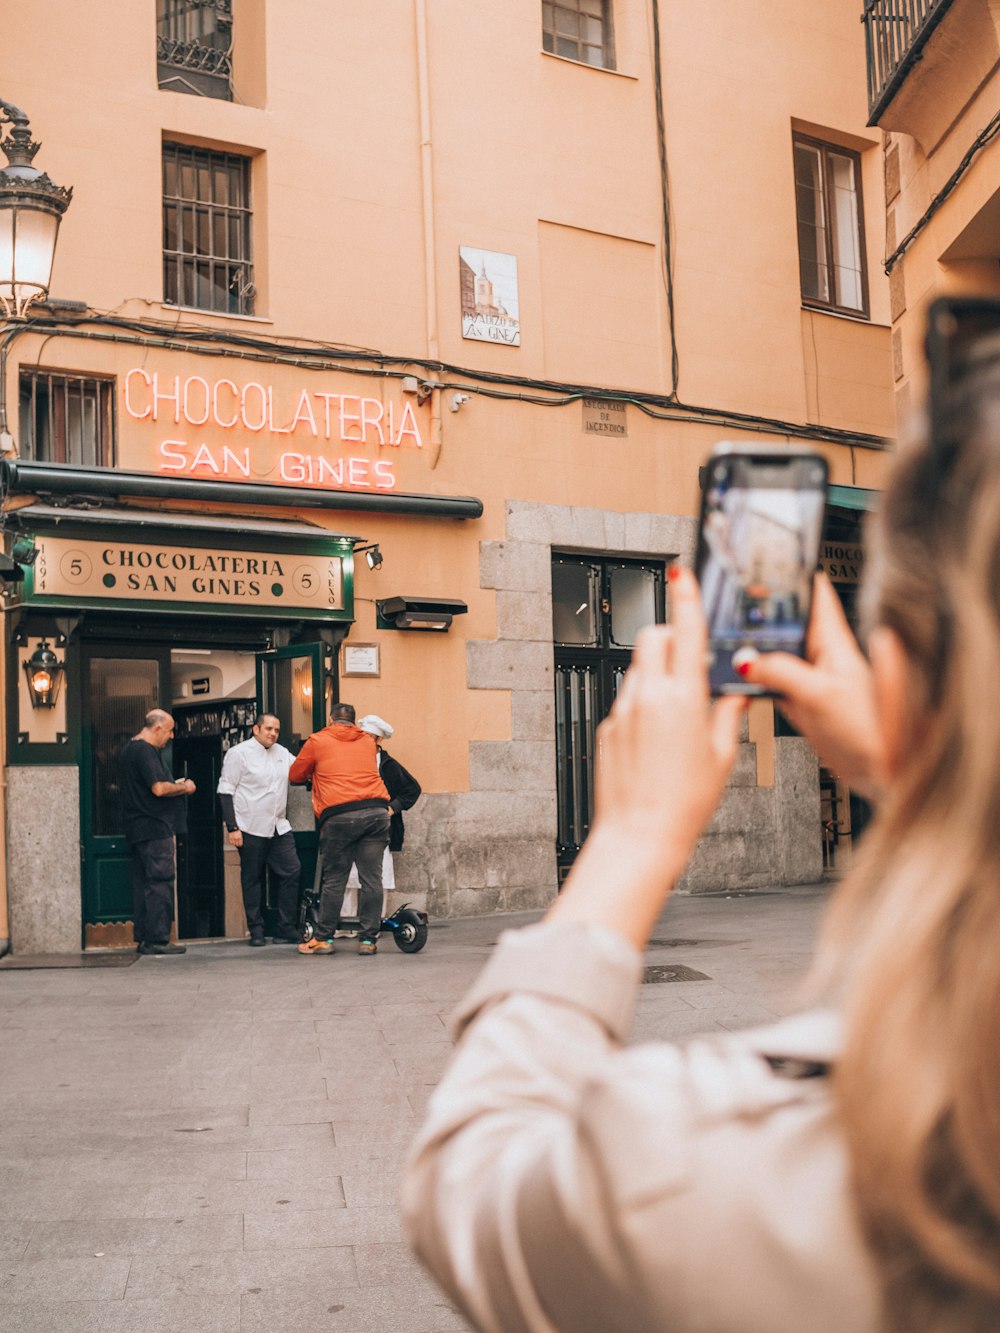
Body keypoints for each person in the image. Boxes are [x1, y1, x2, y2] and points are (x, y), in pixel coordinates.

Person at [402, 341, 1000, 1328]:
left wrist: (631, 836)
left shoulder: (728, 1173)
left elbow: (468, 1185)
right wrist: (918, 770)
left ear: (899, 680)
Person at [290, 701, 391, 956]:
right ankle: (368, 940)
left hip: (340, 815)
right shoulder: (368, 742)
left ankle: (324, 938)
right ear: (355, 723)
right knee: (372, 879)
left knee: (335, 878)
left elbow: (295, 775)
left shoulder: (318, 740)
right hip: (377, 812)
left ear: (331, 720)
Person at [216, 712, 301, 946]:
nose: (273, 733)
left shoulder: (282, 753)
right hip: (249, 825)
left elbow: (301, 770)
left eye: (276, 730)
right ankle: (256, 930)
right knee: (252, 878)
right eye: (269, 729)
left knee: (291, 871)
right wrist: (232, 827)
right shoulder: (238, 754)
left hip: (279, 826)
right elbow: (225, 791)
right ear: (256, 729)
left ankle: (286, 928)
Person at [119, 709, 194, 957]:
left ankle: (144, 937)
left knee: (143, 883)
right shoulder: (145, 750)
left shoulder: (129, 749)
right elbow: (159, 789)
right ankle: (158, 939)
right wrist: (184, 787)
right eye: (170, 730)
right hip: (154, 827)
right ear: (158, 728)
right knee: (160, 882)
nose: (171, 736)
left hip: (137, 828)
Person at [339, 714, 422, 929]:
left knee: (378, 874)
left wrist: (392, 809)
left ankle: (376, 922)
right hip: (352, 823)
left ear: (378, 740)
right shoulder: (348, 759)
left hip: (379, 828)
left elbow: (412, 789)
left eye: (369, 737)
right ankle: (346, 923)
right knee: (350, 875)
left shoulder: (388, 765)